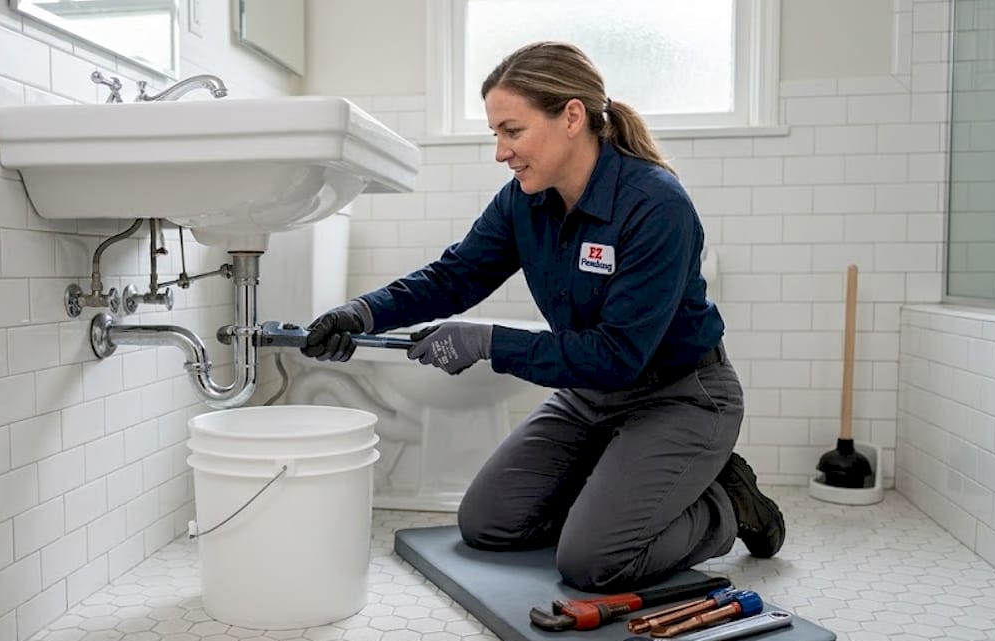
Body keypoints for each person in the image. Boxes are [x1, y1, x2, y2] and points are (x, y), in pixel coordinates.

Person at [301, 41, 785, 592]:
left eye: (513, 131)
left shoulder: (655, 205)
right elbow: (455, 275)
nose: (501, 152)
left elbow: (618, 356)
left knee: (594, 563)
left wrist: (488, 342)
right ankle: (616, 496)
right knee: (487, 524)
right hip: (590, 396)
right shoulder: (524, 201)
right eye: (496, 135)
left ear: (572, 116)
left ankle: (724, 504)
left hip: (680, 395)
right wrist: (361, 313)